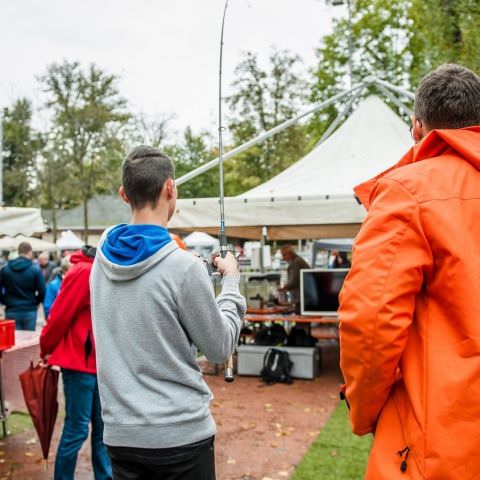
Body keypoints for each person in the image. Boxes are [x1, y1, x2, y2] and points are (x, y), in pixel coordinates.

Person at [339, 63, 480, 479]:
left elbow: (371, 321)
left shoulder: (409, 191)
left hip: (437, 442)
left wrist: (364, 410)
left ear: (418, 127)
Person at [90, 145, 245, 480]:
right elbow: (219, 347)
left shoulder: (101, 259)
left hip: (121, 435)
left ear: (123, 195)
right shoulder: (183, 266)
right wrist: (230, 281)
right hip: (180, 435)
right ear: (170, 189)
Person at [40, 246, 112, 480]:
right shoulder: (84, 271)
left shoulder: (98, 269)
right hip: (82, 363)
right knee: (78, 429)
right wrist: (46, 347)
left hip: (98, 364)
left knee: (100, 430)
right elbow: (60, 315)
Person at [0, 242, 45, 330]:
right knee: (28, 340)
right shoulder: (35, 270)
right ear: (30, 252)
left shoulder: (6, 269)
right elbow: (42, 291)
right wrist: (37, 302)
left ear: (19, 252)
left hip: (11, 308)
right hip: (29, 308)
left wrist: (4, 301)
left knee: (14, 340)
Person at [277, 244, 310, 309]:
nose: (283, 258)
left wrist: (282, 288)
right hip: (304, 296)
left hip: (300, 297)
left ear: (289, 254)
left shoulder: (295, 263)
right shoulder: (298, 260)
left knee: (299, 315)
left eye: (284, 255)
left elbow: (294, 281)